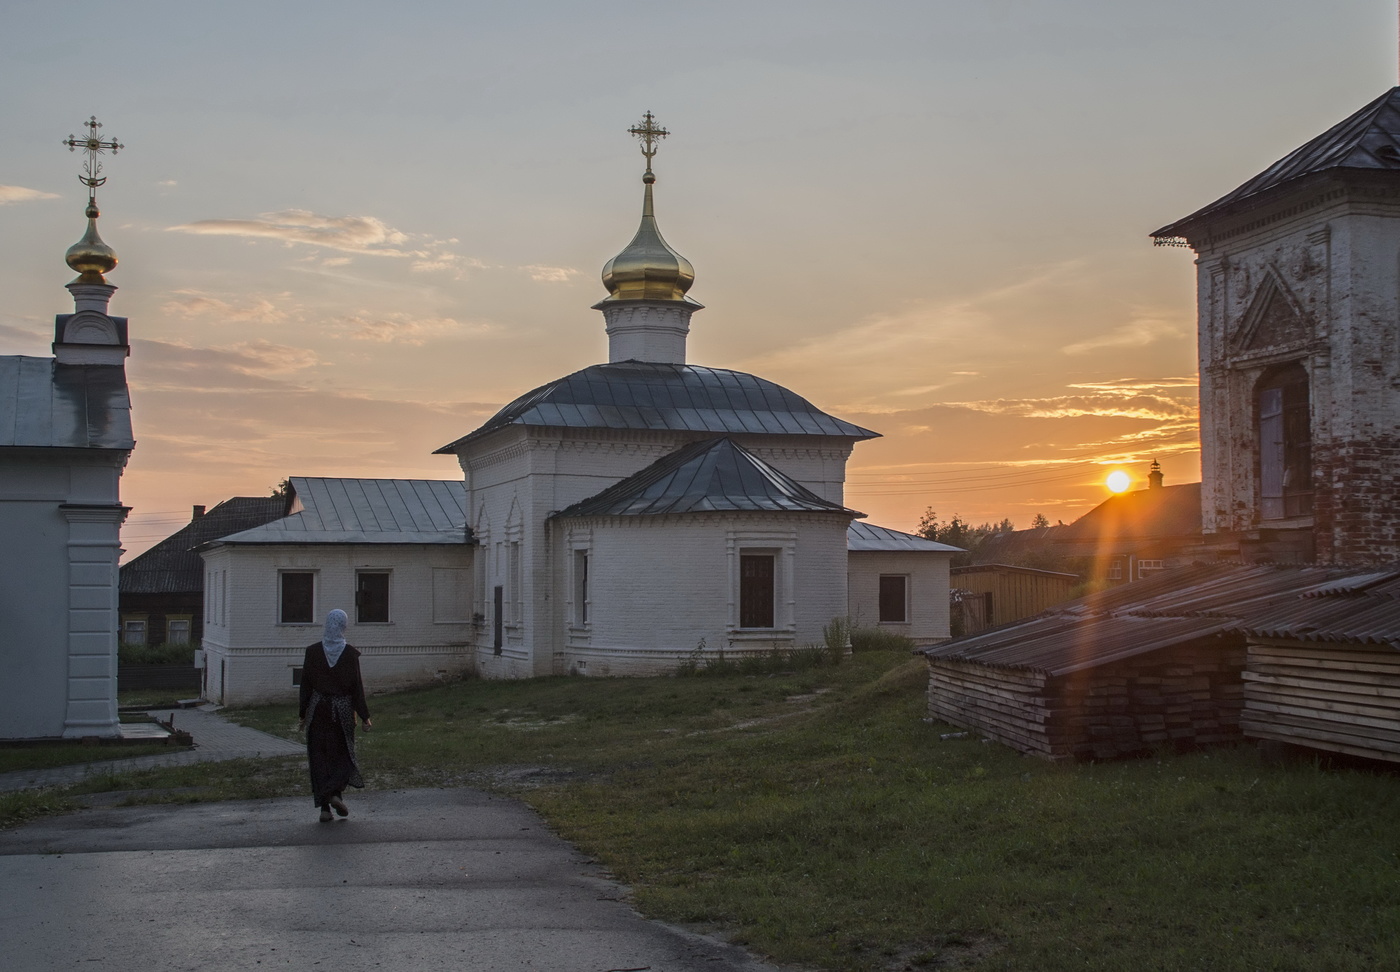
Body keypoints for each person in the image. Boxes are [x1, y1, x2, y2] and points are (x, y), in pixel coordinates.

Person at [299, 609, 372, 822]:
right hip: (341, 712)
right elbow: (356, 688)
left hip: (317, 709)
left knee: (319, 757)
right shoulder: (350, 654)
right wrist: (365, 715)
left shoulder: (312, 652)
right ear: (343, 626)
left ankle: (324, 808)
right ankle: (334, 794)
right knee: (342, 755)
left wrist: (303, 713)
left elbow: (305, 685)